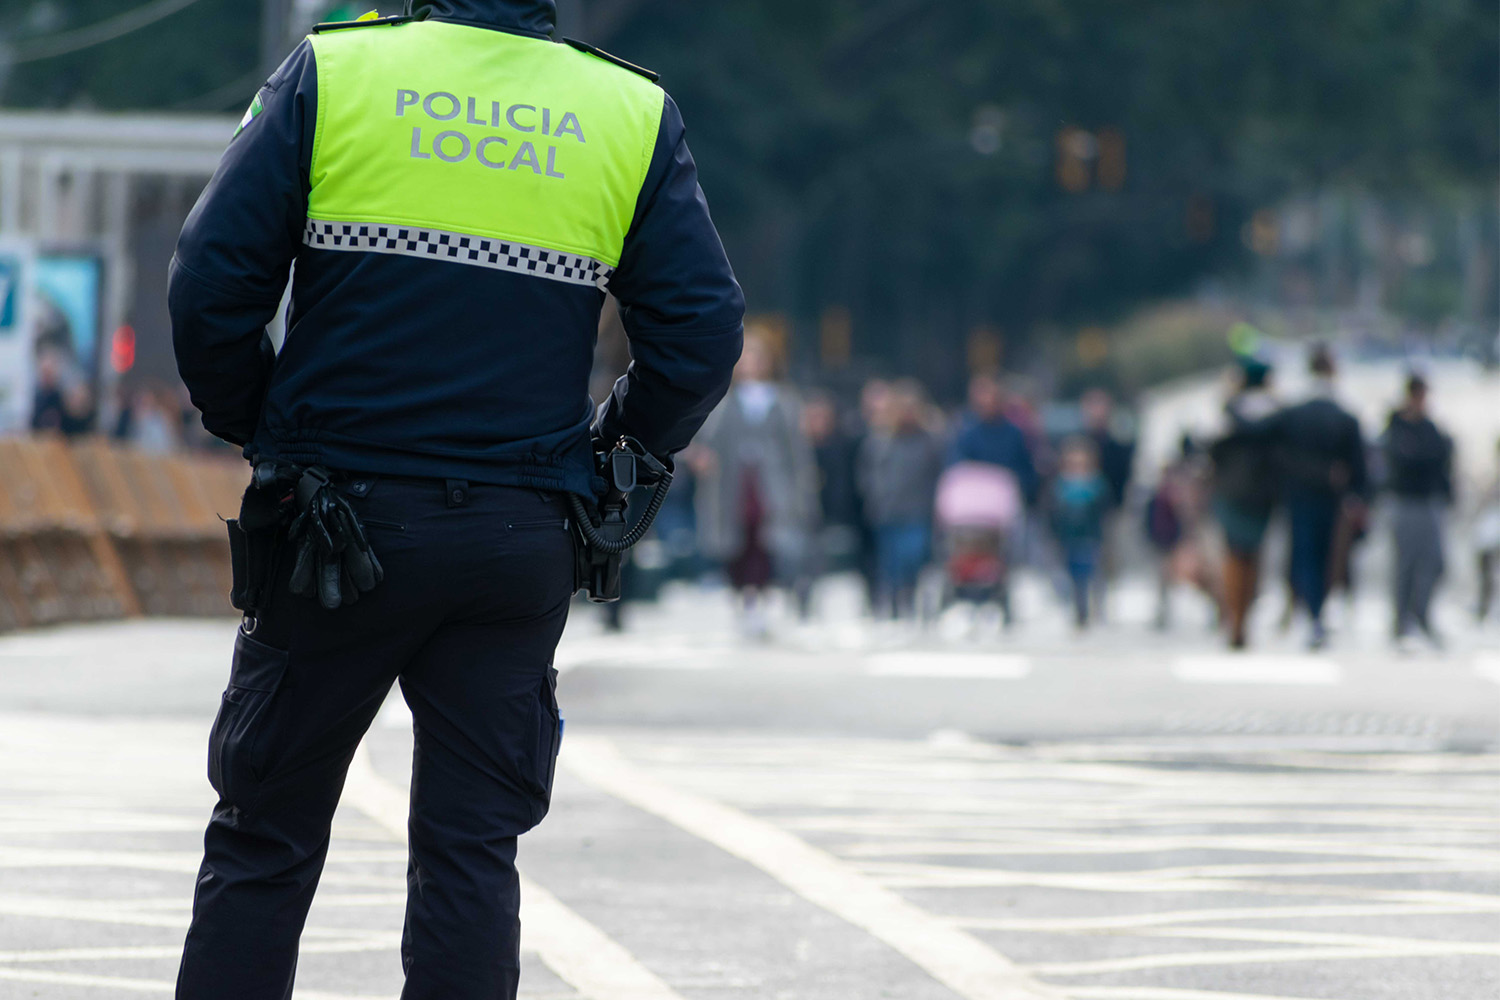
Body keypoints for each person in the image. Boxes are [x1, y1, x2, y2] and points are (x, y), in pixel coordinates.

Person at [168, 4, 744, 998]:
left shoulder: (336, 73)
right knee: (472, 849)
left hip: (334, 528)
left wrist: (261, 425)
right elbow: (703, 333)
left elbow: (209, 284)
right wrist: (614, 446)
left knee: (265, 834)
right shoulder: (627, 109)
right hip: (519, 534)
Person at [691, 334, 817, 637]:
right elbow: (705, 439)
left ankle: (761, 599)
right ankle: (742, 598)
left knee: (767, 538)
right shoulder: (724, 398)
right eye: (746, 358)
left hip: (772, 483)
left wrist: (804, 486)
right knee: (735, 538)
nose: (751, 364)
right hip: (732, 483)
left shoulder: (784, 400)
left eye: (758, 358)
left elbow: (796, 449)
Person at [1264, 345, 1367, 649]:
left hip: (1300, 494)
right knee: (1325, 556)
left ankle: (1310, 612)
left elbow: (1276, 454)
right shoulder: (1342, 415)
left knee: (1305, 554)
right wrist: (1354, 492)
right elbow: (1358, 464)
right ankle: (1316, 612)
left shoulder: (1294, 414)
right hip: (1329, 496)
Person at [858, 379, 944, 619]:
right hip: (888, 510)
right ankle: (894, 604)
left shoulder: (930, 441)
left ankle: (911, 598)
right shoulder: (880, 440)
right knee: (890, 563)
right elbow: (868, 473)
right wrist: (877, 496)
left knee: (915, 558)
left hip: (919, 510)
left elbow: (938, 473)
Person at [1209, 359, 1279, 648]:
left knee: (1233, 555)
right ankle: (1243, 617)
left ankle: (1234, 618)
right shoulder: (1276, 413)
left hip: (1232, 491)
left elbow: (1211, 448)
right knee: (1254, 556)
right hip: (1263, 493)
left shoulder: (1229, 409)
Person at [1382, 374, 1453, 650]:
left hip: (1429, 501)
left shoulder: (1430, 427)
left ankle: (1421, 613)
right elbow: (1402, 460)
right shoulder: (1397, 426)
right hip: (1405, 501)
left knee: (1434, 562)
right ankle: (1402, 621)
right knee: (1405, 563)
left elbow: (1441, 457)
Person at [1078, 388, 1135, 620]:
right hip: (1079, 512)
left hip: (1108, 509)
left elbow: (1123, 475)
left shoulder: (1115, 444)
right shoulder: (1078, 443)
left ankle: (1100, 602)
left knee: (1106, 557)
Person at [1047, 437, 1110, 629]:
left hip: (1091, 538)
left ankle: (1095, 610)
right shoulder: (1060, 487)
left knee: (1092, 575)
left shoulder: (1097, 486)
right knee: (1073, 577)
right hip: (1069, 539)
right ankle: (1078, 610)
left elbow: (1104, 514)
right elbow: (1052, 515)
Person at [951, 372, 1039, 504]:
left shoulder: (1014, 434)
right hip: (975, 504)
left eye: (991, 396)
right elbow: (958, 470)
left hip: (1006, 504)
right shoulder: (967, 435)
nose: (987, 401)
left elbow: (1026, 473)